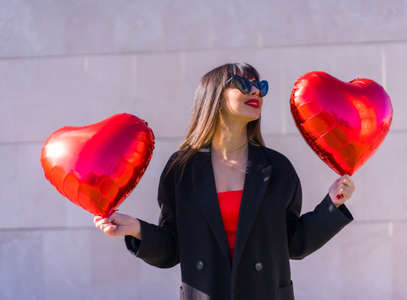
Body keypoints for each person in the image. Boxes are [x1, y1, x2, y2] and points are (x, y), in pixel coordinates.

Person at [94, 63, 355, 300]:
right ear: (214, 95)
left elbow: (295, 242)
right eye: (244, 84)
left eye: (261, 86)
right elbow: (173, 248)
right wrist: (136, 229)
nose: (256, 92)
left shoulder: (277, 168)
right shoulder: (182, 170)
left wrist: (331, 204)